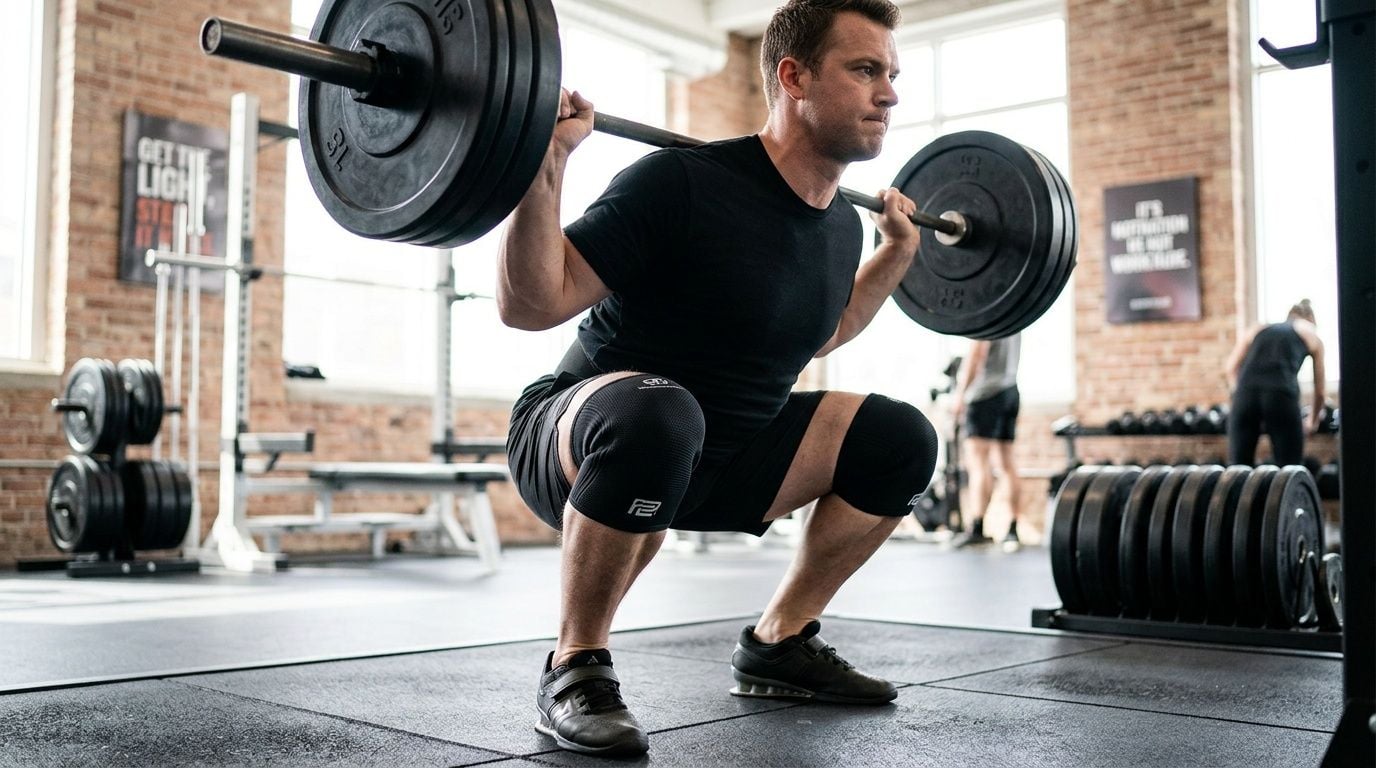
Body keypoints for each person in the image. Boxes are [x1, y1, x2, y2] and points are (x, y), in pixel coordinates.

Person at [498, 0, 938, 756]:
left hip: (722, 454)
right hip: (583, 439)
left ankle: (780, 644)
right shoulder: (681, 182)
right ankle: (575, 665)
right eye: (866, 70)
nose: (890, 94)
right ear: (793, 76)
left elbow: (819, 329)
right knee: (664, 414)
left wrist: (893, 257)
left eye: (892, 74)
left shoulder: (838, 223)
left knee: (900, 437)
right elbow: (533, 303)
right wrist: (545, 163)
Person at [1225, 299, 1326, 466]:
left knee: (1238, 468)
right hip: (1281, 395)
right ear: (1310, 318)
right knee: (1289, 469)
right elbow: (1320, 391)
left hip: (1244, 394)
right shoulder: (1309, 331)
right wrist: (1312, 421)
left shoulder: (1259, 328)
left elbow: (1230, 368)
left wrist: (1241, 395)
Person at [949, 334, 1022, 551]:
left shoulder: (985, 316)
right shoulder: (1013, 314)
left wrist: (960, 395)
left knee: (978, 462)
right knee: (1006, 462)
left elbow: (977, 353)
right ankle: (1012, 529)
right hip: (1010, 390)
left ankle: (978, 528)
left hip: (984, 394)